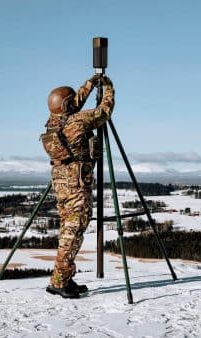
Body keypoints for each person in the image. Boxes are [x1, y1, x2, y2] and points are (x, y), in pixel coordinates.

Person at [40, 74, 115, 298]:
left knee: (67, 230)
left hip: (61, 182)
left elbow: (73, 104)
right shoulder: (79, 121)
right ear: (67, 105)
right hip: (76, 184)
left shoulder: (54, 121)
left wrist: (90, 84)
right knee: (73, 232)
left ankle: (63, 278)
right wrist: (108, 88)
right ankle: (59, 282)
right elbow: (104, 111)